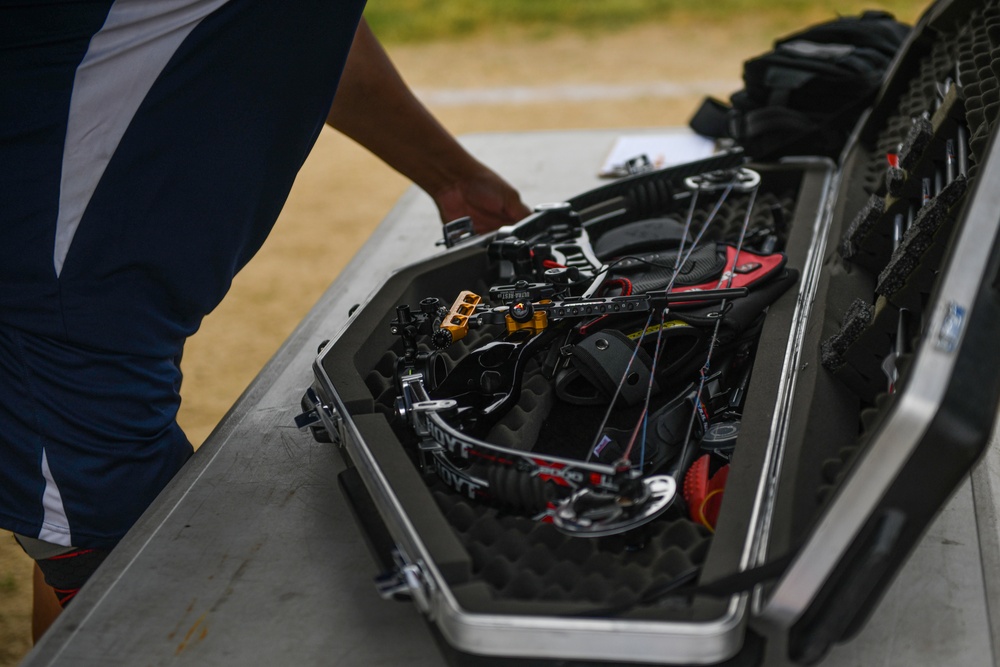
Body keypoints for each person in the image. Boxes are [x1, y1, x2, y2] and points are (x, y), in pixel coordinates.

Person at [0, 1, 531, 640]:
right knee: (126, 578)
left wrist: (453, 179)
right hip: (55, 311)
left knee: (93, 540)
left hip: (97, 300)